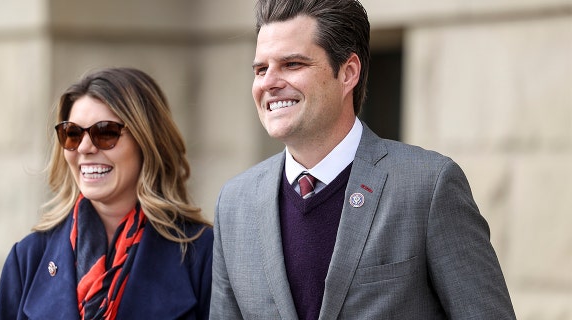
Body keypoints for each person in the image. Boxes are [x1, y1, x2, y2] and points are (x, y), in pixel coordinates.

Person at [210, 0, 516, 319]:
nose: (269, 83)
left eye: (292, 64)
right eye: (261, 69)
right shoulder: (234, 205)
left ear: (348, 73)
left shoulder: (428, 187)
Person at [0, 67, 213, 319]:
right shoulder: (28, 258)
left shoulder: (201, 253)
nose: (84, 147)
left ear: (147, 141)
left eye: (106, 132)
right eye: (72, 134)